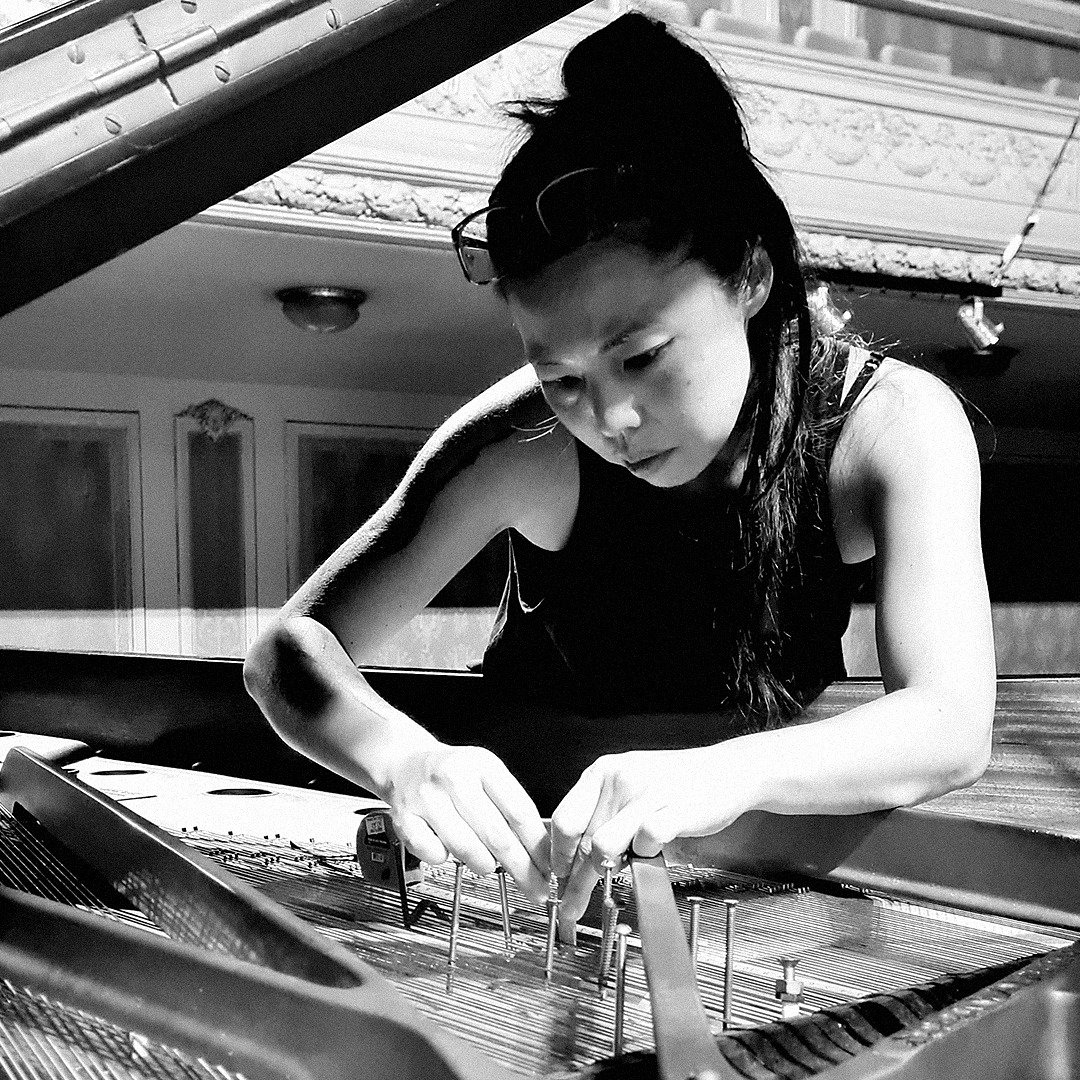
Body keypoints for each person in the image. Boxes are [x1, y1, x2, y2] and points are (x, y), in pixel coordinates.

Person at [243, 13, 995, 928]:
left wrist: (718, 772)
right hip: (529, 860)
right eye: (561, 376)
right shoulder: (524, 440)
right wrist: (403, 756)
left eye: (639, 356)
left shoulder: (891, 424)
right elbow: (290, 651)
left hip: (757, 854)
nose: (609, 420)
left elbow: (952, 723)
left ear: (751, 277)